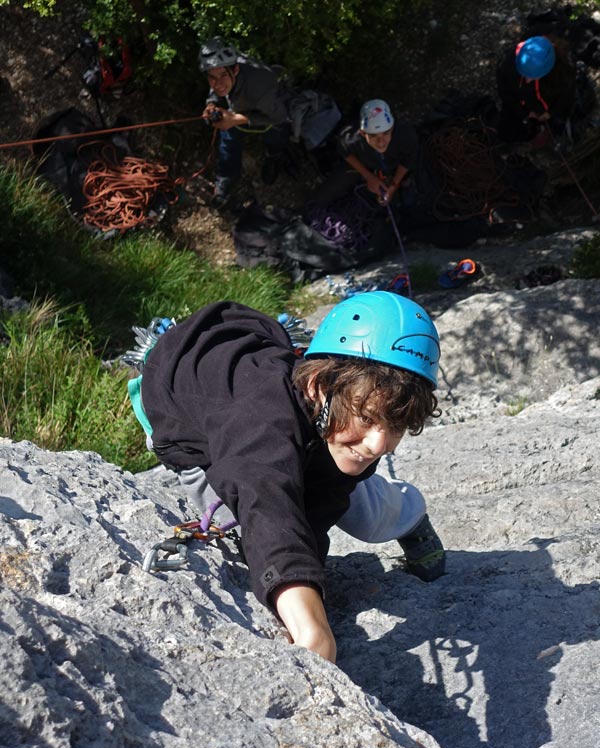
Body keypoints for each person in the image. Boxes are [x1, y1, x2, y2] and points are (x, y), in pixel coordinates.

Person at [138, 292, 445, 663]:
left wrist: (309, 600)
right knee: (239, 524)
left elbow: (322, 502)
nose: (380, 443)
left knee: (364, 510)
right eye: (367, 418)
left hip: (289, 411)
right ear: (317, 385)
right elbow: (267, 504)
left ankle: (408, 515)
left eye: (394, 425)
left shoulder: (337, 410)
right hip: (196, 433)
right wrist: (309, 624)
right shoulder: (258, 417)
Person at [198, 37, 294, 207]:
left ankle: (275, 157)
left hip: (268, 111)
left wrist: (235, 119)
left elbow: (280, 116)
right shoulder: (223, 70)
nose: (217, 83)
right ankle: (226, 177)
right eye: (212, 77)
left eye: (222, 76)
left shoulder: (259, 85)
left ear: (235, 69)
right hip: (238, 106)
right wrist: (211, 104)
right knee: (228, 143)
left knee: (275, 136)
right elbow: (216, 86)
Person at [310, 99, 420, 208]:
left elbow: (409, 159)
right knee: (332, 186)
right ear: (363, 133)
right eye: (373, 136)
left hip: (395, 163)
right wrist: (369, 176)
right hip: (369, 163)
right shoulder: (352, 139)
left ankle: (406, 183)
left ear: (392, 128)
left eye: (386, 133)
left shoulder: (406, 135)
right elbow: (344, 151)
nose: (381, 143)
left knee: (410, 170)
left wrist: (393, 185)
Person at [496, 35, 577, 144]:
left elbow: (566, 96)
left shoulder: (562, 72)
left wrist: (550, 113)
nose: (527, 80)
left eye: (532, 77)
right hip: (525, 108)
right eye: (524, 75)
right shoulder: (508, 66)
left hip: (547, 109)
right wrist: (526, 113)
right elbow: (505, 92)